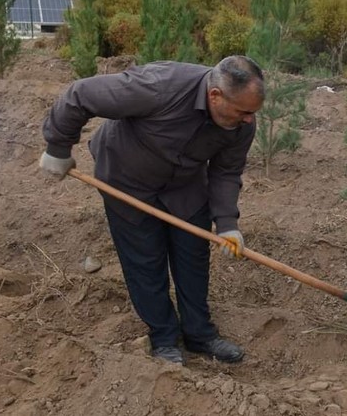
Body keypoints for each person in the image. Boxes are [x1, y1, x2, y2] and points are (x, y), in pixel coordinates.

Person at [40, 55, 266, 365]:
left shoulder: (242, 123)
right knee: (145, 262)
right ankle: (163, 338)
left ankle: (200, 335)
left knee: (192, 258)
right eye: (243, 111)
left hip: (185, 185)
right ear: (215, 96)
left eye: (253, 113)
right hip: (127, 180)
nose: (250, 120)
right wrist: (58, 148)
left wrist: (227, 223)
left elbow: (226, 172)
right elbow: (80, 95)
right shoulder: (159, 87)